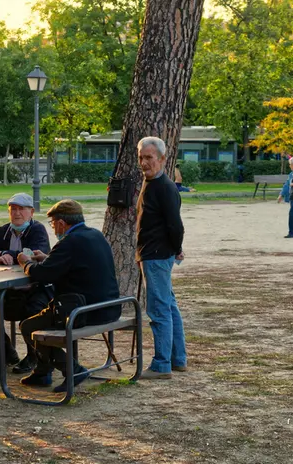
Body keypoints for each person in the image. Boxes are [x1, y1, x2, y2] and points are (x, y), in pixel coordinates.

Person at [16, 199, 121, 392]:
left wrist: (25, 262)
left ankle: (72, 369)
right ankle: (42, 372)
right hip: (109, 306)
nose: (53, 228)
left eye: (53, 223)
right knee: (38, 322)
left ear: (62, 223)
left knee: (28, 326)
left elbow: (41, 274)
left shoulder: (69, 242)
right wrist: (48, 259)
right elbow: (76, 264)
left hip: (83, 311)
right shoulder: (95, 235)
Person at [0, 193, 51, 374]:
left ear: (31, 212)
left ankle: (34, 357)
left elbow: (33, 254)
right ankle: (6, 353)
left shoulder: (37, 229)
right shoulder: (4, 230)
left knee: (32, 311)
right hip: (12, 290)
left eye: (21, 209)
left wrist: (2, 253)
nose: (17, 213)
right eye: (13, 209)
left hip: (37, 289)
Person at [135, 136, 187, 380]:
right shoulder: (151, 182)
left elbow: (175, 225)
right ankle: (177, 359)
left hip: (156, 256)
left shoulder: (165, 187)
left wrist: (176, 248)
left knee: (159, 310)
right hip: (154, 253)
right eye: (141, 157)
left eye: (149, 157)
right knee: (169, 306)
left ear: (163, 159)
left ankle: (161, 364)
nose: (144, 162)